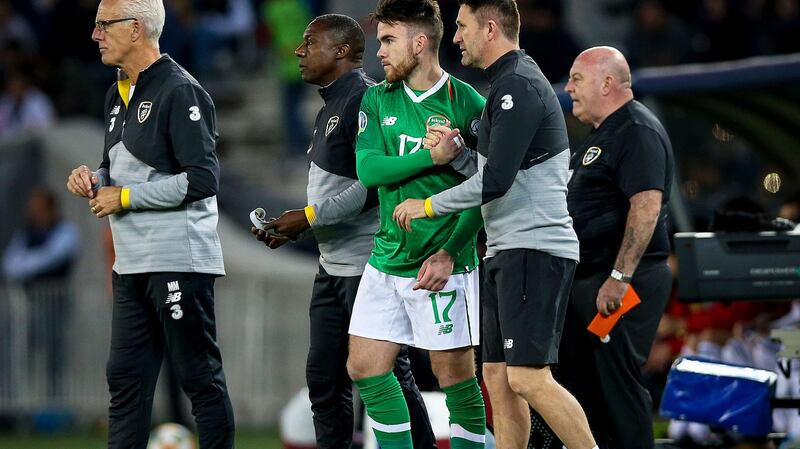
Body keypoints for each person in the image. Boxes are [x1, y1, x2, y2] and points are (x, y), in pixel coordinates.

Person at [392, 1, 597, 448]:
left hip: (533, 247)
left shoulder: (517, 85)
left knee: (527, 377)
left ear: (490, 28)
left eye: (462, 27)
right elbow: (497, 175)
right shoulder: (507, 85)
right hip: (507, 249)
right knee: (498, 378)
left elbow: (497, 183)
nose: (457, 37)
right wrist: (460, 156)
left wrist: (428, 206)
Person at [251, 14, 436, 449]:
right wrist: (298, 226)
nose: (298, 51)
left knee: (385, 376)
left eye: (309, 42)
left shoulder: (368, 99)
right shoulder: (330, 104)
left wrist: (309, 217)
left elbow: (374, 187)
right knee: (324, 381)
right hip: (333, 267)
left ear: (340, 51)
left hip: (369, 266)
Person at [65, 0, 234, 447]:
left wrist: (123, 197)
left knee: (199, 380)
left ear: (135, 29)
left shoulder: (181, 90)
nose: (95, 34)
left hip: (178, 260)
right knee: (125, 384)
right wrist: (94, 178)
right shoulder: (115, 94)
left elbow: (203, 179)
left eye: (104, 25)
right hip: (130, 264)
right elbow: (115, 168)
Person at [344, 1, 487, 448]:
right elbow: (369, 171)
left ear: (420, 42)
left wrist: (451, 252)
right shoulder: (376, 98)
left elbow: (488, 188)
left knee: (456, 380)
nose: (380, 52)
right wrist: (432, 157)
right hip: (387, 257)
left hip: (442, 263)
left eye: (388, 40)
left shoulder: (468, 103)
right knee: (365, 366)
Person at [557, 46, 675, 448]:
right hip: (593, 279)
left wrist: (619, 277)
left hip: (623, 282)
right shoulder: (603, 133)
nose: (569, 88)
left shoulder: (636, 130)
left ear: (607, 83)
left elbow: (646, 206)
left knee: (617, 384)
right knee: (587, 385)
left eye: (577, 78)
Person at [2, 187, 79, 401]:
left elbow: (53, 257)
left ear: (52, 209)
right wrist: (27, 265)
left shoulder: (65, 230)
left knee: (53, 358)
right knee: (19, 356)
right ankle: (21, 407)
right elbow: (9, 264)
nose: (34, 213)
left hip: (54, 306)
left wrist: (27, 264)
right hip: (25, 304)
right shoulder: (26, 233)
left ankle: (54, 406)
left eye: (39, 208)